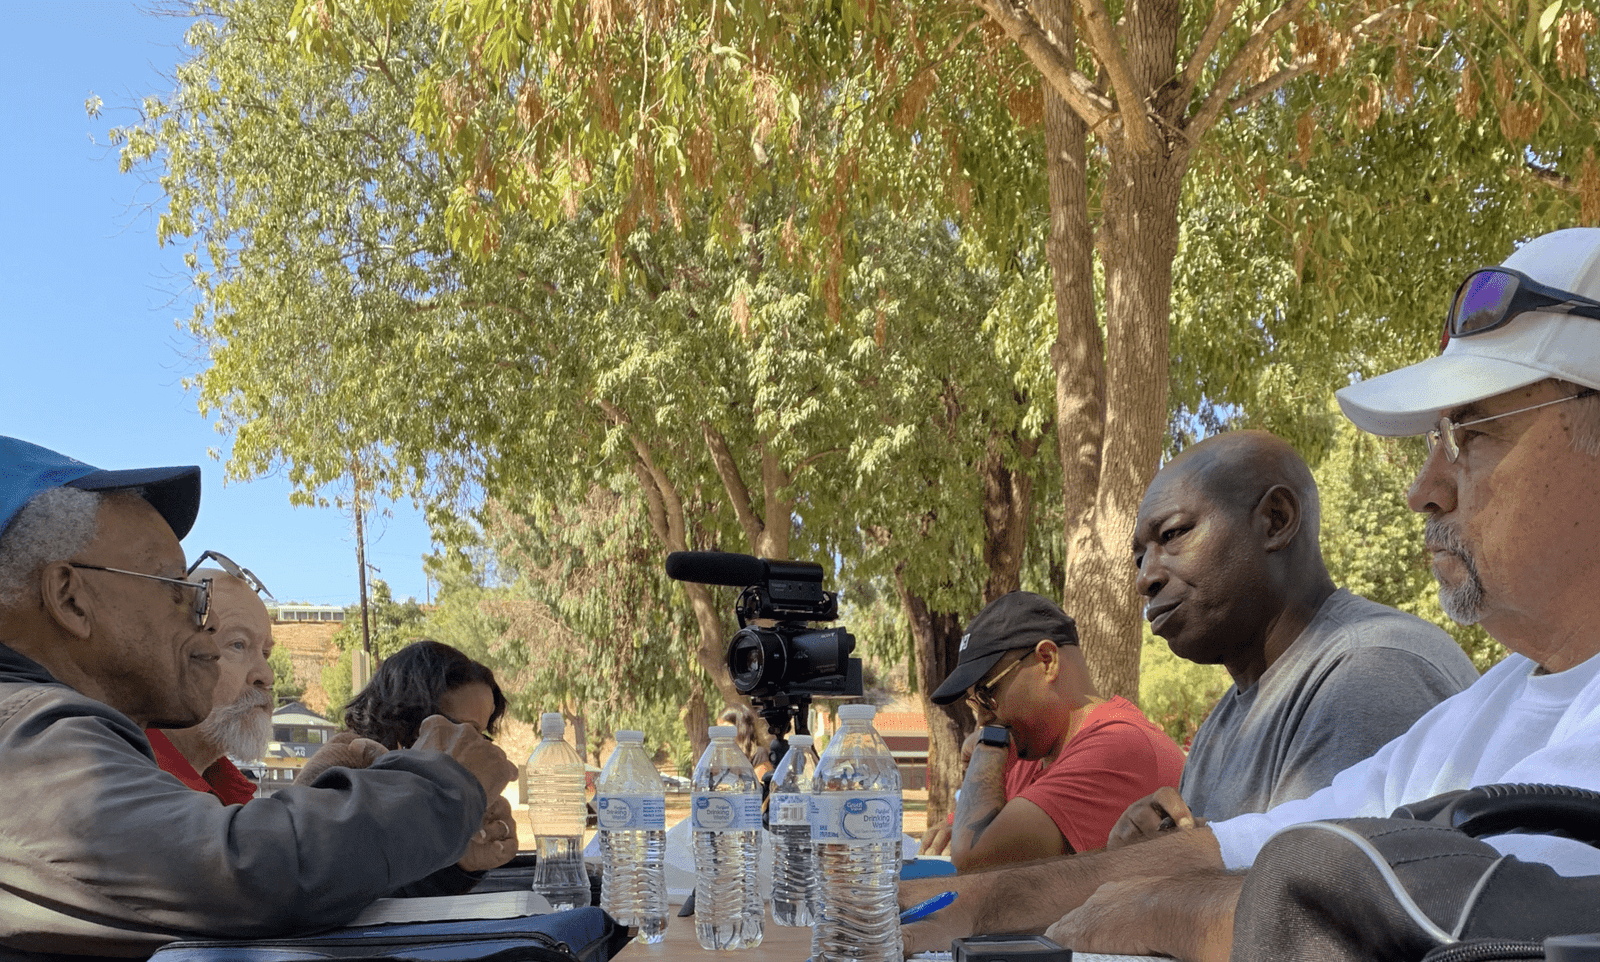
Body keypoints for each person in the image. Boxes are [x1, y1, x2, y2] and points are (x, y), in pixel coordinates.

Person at [898, 226, 1600, 962]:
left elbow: (1454, 914)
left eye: (1471, 433)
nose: (1423, 489)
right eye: (1433, 441)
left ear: (1275, 521)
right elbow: (1262, 847)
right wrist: (973, 906)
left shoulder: (1376, 670)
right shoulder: (1483, 711)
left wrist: (1172, 909)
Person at [0, 436, 519, 960]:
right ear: (70, 598)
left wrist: (434, 850)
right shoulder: (23, 745)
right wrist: (440, 784)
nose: (203, 635)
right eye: (174, 588)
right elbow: (243, 872)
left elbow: (261, 915)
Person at [1107, 430, 1477, 844]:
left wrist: (1166, 865)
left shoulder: (1371, 671)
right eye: (1139, 558)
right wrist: (1145, 851)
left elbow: (1322, 881)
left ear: (1276, 520)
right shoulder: (1220, 725)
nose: (1145, 578)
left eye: (1173, 534)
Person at [921, 591, 1185, 869]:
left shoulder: (1118, 746)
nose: (983, 718)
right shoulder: (1031, 751)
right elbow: (966, 836)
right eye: (975, 703)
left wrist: (987, 747)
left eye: (987, 694)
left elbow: (974, 859)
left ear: (1047, 660)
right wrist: (955, 826)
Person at [291, 638, 520, 893]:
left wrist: (460, 864)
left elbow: (390, 894)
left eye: (482, 736)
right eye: (464, 732)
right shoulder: (345, 765)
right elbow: (324, 889)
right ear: (411, 719)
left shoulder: (423, 794)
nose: (478, 749)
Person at [146, 557, 277, 805]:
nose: (266, 675)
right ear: (167, 655)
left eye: (265, 653)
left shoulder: (229, 791)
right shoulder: (130, 777)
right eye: (238, 645)